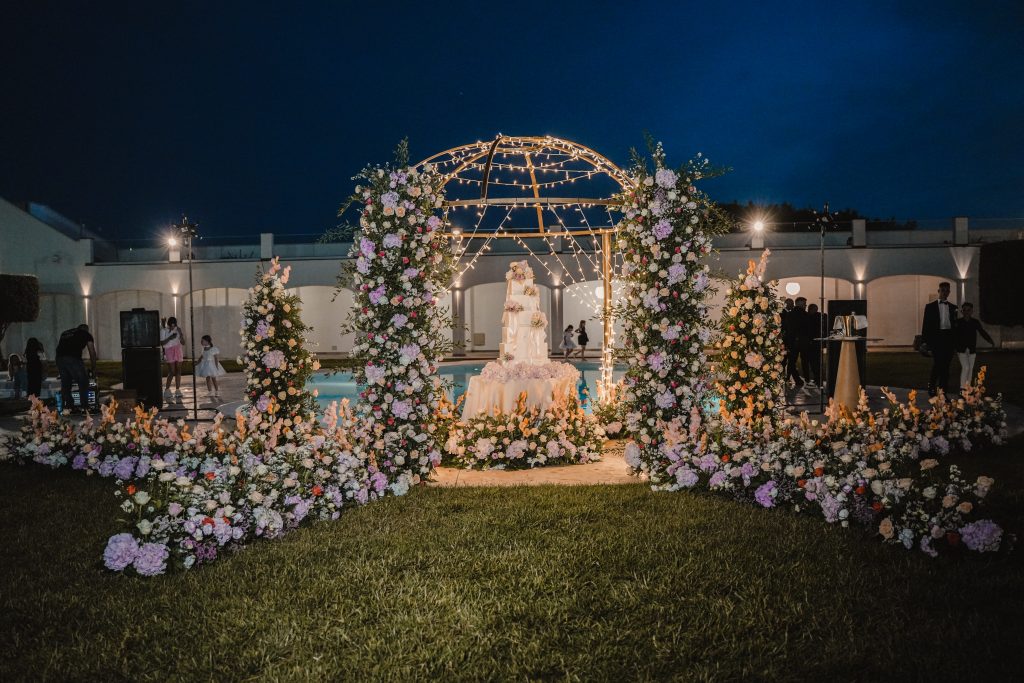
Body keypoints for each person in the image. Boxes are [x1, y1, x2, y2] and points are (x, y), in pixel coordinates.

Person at [921, 282, 958, 396]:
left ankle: (943, 390)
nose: (944, 292)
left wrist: (955, 341)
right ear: (939, 291)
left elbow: (955, 325)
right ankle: (932, 386)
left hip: (948, 338)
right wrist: (925, 342)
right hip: (936, 338)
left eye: (947, 290)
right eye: (942, 290)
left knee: (946, 366)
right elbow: (926, 324)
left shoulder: (953, 308)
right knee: (937, 364)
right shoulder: (930, 307)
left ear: (949, 292)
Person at [55, 323, 97, 413]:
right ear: (86, 329)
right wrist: (93, 368)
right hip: (73, 358)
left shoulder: (65, 333)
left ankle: (69, 406)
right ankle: (85, 406)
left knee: (66, 382)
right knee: (83, 381)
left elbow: (61, 347)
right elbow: (92, 352)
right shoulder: (86, 334)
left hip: (59, 358)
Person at [954, 302, 994, 389]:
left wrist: (990, 340)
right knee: (966, 367)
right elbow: (954, 336)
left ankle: (968, 388)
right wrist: (955, 347)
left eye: (968, 310)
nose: (966, 312)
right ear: (962, 311)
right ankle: (962, 388)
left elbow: (982, 332)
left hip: (972, 349)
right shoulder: (958, 322)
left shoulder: (975, 322)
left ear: (972, 311)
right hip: (961, 350)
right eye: (964, 310)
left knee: (970, 369)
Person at [784, 298, 807, 389]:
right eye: (804, 304)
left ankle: (791, 378)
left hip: (791, 341)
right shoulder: (804, 314)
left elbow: (787, 328)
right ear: (800, 304)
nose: (805, 306)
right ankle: (803, 379)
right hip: (802, 341)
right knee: (803, 361)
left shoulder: (790, 314)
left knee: (791, 361)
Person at [161, 316, 186, 398]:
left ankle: (178, 390)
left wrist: (181, 333)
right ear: (168, 324)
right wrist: (170, 337)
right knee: (172, 372)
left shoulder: (178, 329)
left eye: (174, 325)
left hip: (178, 349)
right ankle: (167, 390)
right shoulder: (164, 330)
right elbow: (162, 343)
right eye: (171, 325)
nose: (173, 326)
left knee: (178, 371)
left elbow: (183, 343)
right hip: (169, 350)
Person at [195, 335, 226, 399]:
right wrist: (197, 363)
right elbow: (201, 357)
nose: (201, 342)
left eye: (202, 340)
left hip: (212, 365)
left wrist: (216, 367)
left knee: (214, 379)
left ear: (207, 341)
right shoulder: (203, 349)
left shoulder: (213, 349)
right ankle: (210, 392)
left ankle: (217, 391)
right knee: (207, 378)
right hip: (206, 365)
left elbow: (216, 358)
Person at [803, 303, 825, 387]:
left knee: (813, 363)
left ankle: (816, 379)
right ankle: (818, 379)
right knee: (816, 363)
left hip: (811, 343)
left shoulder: (807, 317)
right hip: (815, 343)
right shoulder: (819, 316)